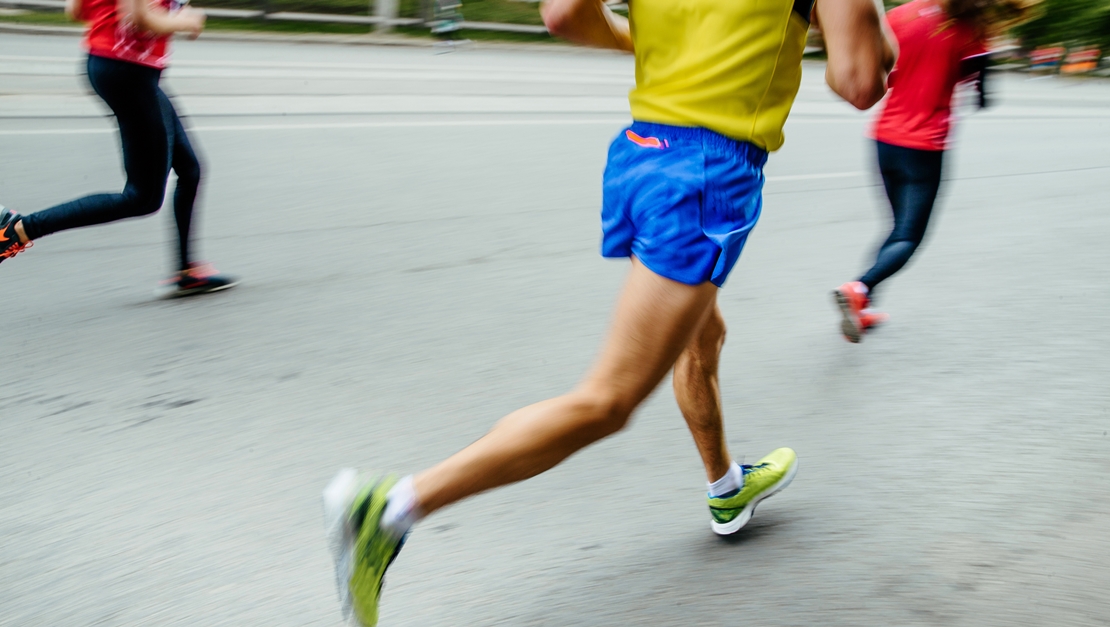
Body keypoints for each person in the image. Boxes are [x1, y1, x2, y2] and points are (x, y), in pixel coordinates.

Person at [323, 0, 895, 622]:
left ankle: (726, 489)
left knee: (702, 335)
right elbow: (862, 78)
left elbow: (565, 14)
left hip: (642, 151)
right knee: (608, 401)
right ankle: (392, 507)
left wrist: (642, 42)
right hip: (704, 177)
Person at [0, 0, 236, 298]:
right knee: (142, 198)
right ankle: (15, 230)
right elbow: (139, 19)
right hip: (128, 71)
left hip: (117, 66)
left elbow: (75, 10)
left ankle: (187, 272)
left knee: (189, 169)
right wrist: (187, 20)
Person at [832, 0, 1030, 342]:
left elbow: (879, 65)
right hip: (924, 147)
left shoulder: (900, 15)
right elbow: (983, 96)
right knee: (908, 235)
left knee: (896, 231)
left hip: (884, 138)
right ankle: (859, 287)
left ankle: (860, 307)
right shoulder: (972, 31)